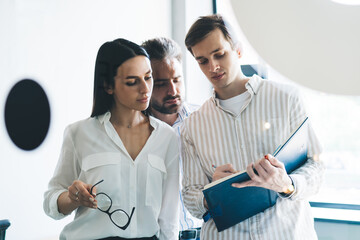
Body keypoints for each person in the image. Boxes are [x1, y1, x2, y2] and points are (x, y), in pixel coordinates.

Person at [180, 14, 324, 239]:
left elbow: (316, 167)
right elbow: (191, 199)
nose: (213, 67)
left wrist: (287, 184)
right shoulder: (193, 125)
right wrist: (212, 193)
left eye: (219, 54)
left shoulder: (286, 98)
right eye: (202, 61)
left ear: (238, 50)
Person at [43, 38, 179, 240]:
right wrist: (73, 198)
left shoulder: (167, 138)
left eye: (148, 77)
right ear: (108, 86)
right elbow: (50, 203)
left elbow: (169, 219)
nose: (145, 88)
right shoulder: (78, 134)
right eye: (133, 81)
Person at [141, 37, 202, 237]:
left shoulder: (205, 119)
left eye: (177, 80)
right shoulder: (131, 132)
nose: (173, 91)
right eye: (161, 84)